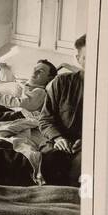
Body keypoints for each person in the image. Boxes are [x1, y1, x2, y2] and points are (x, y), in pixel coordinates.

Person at [39, 34, 86, 186]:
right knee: (49, 161)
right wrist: (58, 138)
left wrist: (89, 142)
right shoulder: (62, 82)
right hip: (58, 142)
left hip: (89, 147)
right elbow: (45, 119)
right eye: (88, 58)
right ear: (78, 59)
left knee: (80, 167)